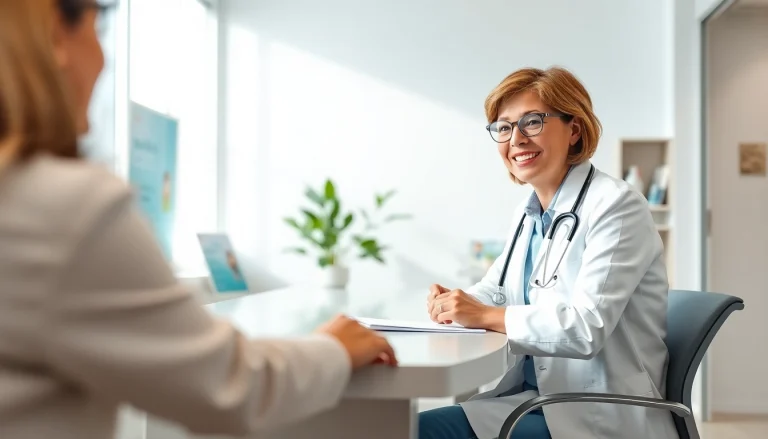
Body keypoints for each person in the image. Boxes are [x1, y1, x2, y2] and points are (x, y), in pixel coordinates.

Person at [0, 1, 397, 438]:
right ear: (57, 35)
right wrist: (333, 349)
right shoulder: (65, 208)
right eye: (99, 30)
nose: (103, 59)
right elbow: (231, 386)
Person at [419, 67, 679, 439]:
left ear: (574, 130)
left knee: (420, 431)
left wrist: (484, 313)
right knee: (414, 427)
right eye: (504, 127)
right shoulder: (530, 214)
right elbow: (495, 292)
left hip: (598, 412)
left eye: (533, 122)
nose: (516, 139)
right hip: (537, 401)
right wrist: (455, 303)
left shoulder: (616, 205)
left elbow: (585, 329)